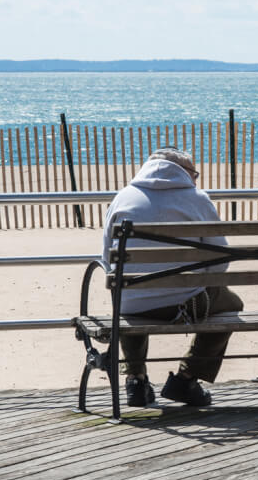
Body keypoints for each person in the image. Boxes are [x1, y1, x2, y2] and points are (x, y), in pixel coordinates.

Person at [102, 147, 243, 408]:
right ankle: (186, 379)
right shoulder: (197, 199)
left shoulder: (123, 198)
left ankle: (135, 380)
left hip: (131, 301)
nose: (196, 179)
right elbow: (220, 258)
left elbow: (107, 257)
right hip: (184, 303)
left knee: (127, 297)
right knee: (233, 305)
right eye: (195, 173)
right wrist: (202, 282)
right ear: (184, 172)